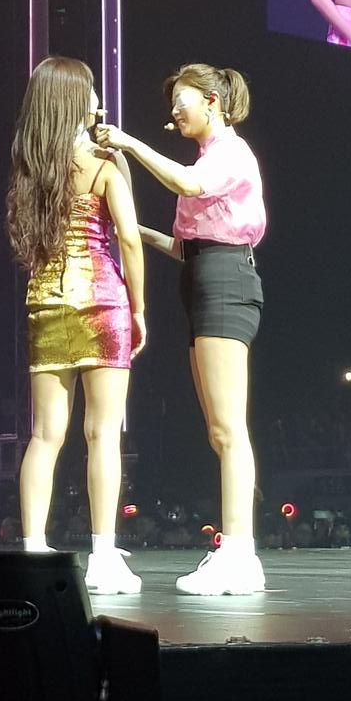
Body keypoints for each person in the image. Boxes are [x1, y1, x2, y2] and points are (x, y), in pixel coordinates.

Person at [96, 63, 266, 595]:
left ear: (212, 101)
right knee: (218, 431)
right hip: (203, 280)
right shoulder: (208, 158)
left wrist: (128, 143)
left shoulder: (230, 153)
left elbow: (188, 184)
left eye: (182, 101)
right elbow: (186, 248)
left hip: (226, 284)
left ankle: (239, 554)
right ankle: (236, 553)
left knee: (229, 429)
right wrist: (133, 231)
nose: (175, 112)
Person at [6, 56, 146, 594]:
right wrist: (138, 308)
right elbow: (128, 238)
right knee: (102, 432)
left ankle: (32, 548)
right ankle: (104, 556)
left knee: (45, 434)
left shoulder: (31, 166)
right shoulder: (103, 163)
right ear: (72, 100)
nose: (97, 101)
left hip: (45, 303)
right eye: (89, 92)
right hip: (102, 301)